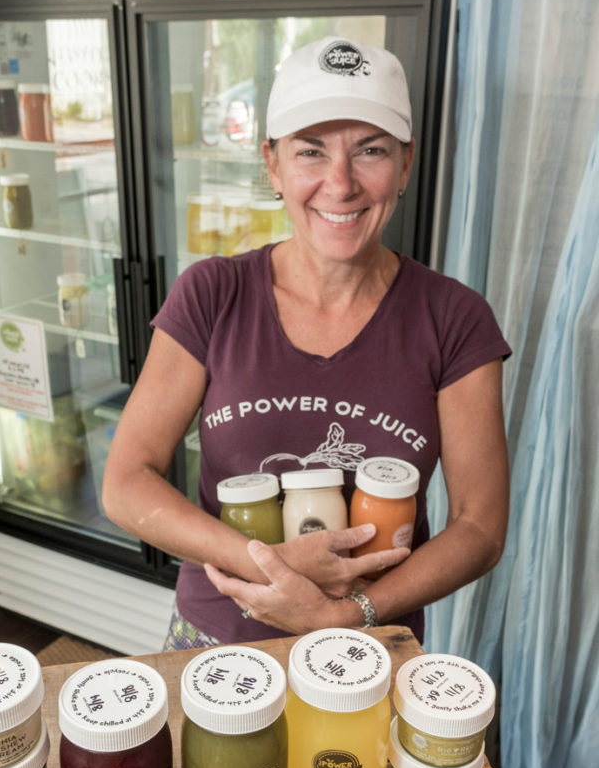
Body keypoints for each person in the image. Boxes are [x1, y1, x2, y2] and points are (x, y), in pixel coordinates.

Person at [102, 35, 511, 650]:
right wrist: (271, 563)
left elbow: (480, 527)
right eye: (310, 152)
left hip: (370, 642)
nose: (340, 184)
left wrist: (350, 613)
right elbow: (126, 482)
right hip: (216, 635)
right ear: (273, 164)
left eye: (370, 150)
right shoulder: (213, 295)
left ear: (405, 163)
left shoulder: (455, 319)